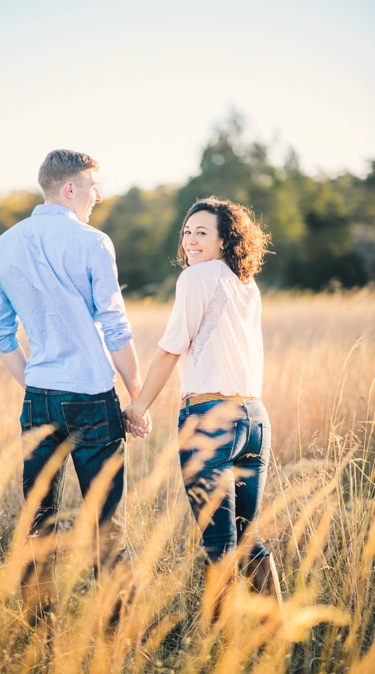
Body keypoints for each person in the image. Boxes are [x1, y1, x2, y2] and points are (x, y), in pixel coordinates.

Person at [0, 149, 145, 626]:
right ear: (69, 188)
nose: (100, 195)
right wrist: (136, 397)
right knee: (104, 521)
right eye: (93, 185)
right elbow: (116, 328)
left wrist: (36, 381)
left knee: (39, 520)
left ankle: (41, 631)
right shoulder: (93, 242)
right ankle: (120, 633)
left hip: (39, 399)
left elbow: (0, 336)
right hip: (93, 399)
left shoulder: (2, 247)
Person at [123, 197, 283, 627]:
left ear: (224, 239)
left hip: (211, 419)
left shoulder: (197, 279)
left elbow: (169, 351)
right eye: (187, 232)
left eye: (202, 233)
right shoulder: (245, 284)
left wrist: (137, 407)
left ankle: (215, 649)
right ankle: (279, 635)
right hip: (255, 420)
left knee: (220, 542)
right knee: (246, 538)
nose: (190, 241)